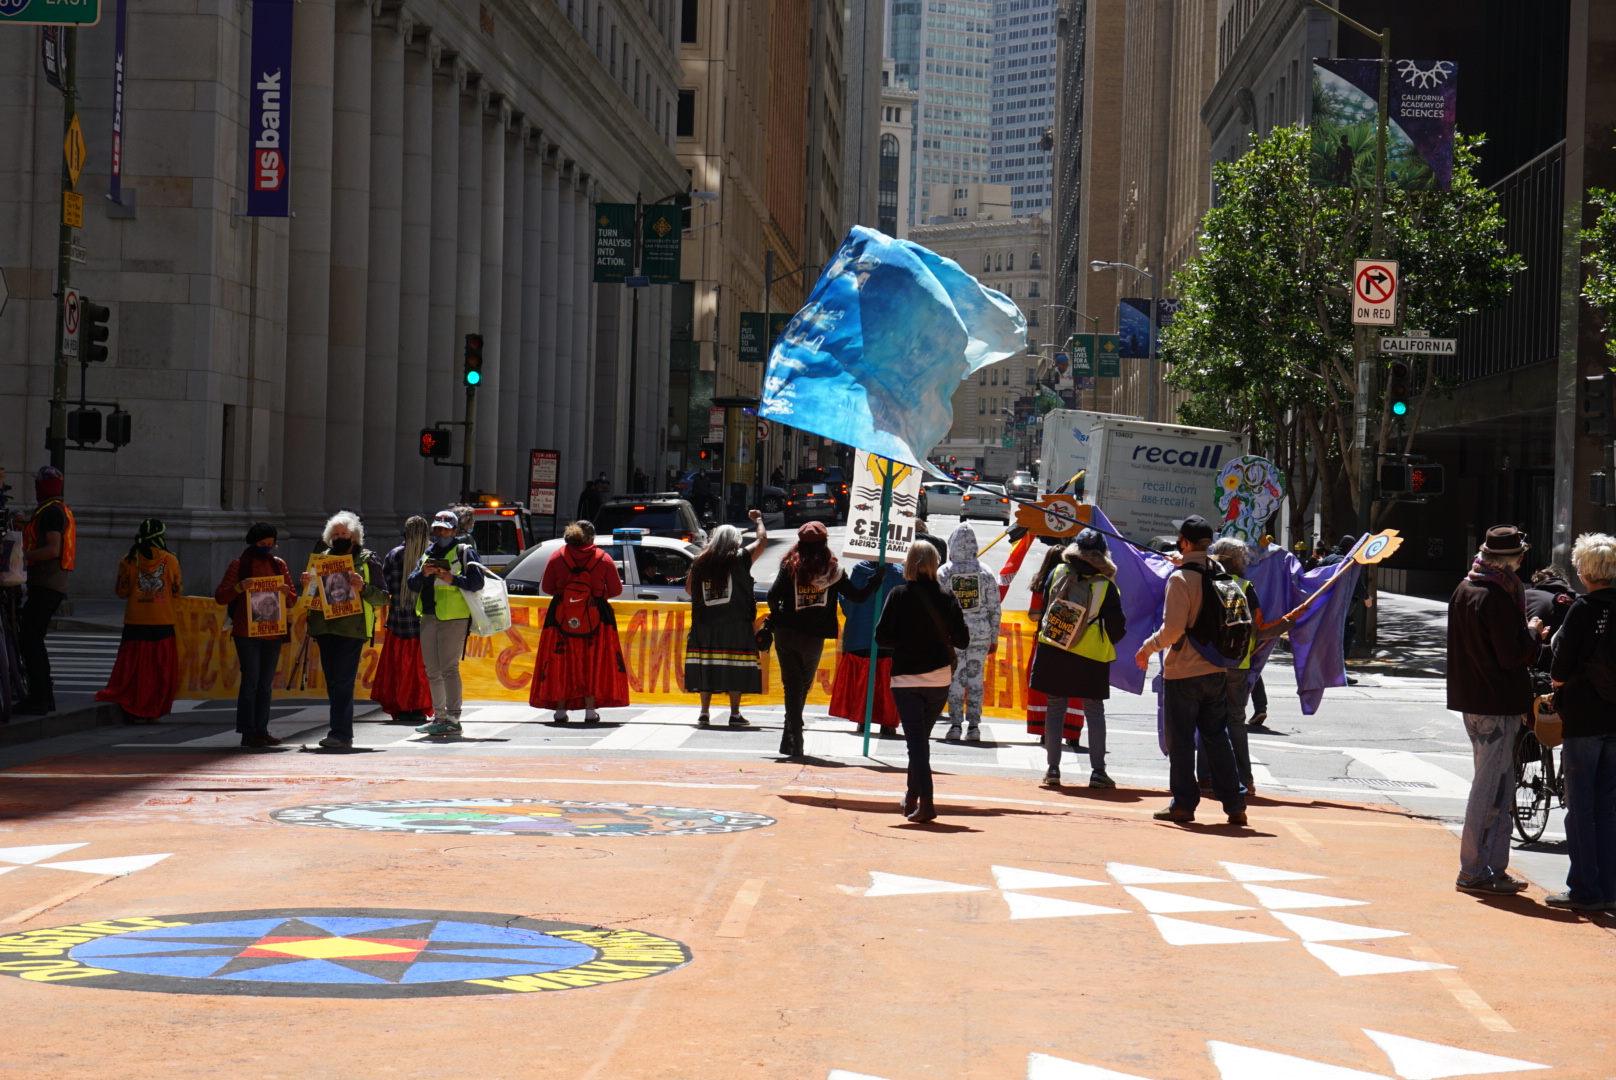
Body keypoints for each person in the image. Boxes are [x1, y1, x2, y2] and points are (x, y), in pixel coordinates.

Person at [1134, 515, 1248, 826]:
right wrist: (1183, 561)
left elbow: (1172, 631)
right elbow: (1202, 567)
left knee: (1182, 740)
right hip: (1217, 669)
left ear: (1184, 541)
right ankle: (1235, 803)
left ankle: (1183, 803)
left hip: (1184, 672)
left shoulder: (1180, 579)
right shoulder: (1219, 571)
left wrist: (1146, 648)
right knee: (1216, 737)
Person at [1447, 525, 1541, 896]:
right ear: (1508, 560)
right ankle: (1473, 869)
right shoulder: (1496, 594)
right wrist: (1533, 632)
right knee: (1490, 789)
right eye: (1519, 556)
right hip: (1495, 701)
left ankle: (1491, 867)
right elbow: (1511, 655)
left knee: (1500, 788)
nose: (1521, 562)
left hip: (1477, 699)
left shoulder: (1466, 587)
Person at [766, 522, 882, 757]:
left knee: (793, 687)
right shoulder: (834, 571)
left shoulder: (790, 566)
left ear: (800, 543)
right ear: (824, 543)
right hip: (814, 637)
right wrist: (875, 580)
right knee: (801, 688)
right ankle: (794, 737)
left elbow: (772, 595)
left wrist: (778, 617)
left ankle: (791, 738)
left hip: (786, 634)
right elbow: (858, 598)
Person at [1546, 533, 1616, 911]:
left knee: (1581, 808)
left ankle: (1584, 889)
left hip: (1584, 718)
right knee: (1608, 807)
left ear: (1585, 570)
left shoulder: (1582, 608)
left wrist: (1559, 683)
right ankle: (1609, 888)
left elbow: (1559, 667)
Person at [876, 542, 969, 822]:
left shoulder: (898, 594)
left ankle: (926, 803)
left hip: (906, 678)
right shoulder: (947, 597)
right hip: (939, 678)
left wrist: (907, 638)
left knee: (916, 743)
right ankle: (912, 799)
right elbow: (962, 640)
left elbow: (882, 638)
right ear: (935, 563)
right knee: (920, 742)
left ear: (909, 563)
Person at [1030, 529, 1125, 789]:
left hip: (1054, 648)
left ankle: (1052, 770)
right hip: (1091, 656)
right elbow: (1117, 627)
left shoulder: (1058, 572)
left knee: (1055, 707)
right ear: (1102, 554)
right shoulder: (1106, 585)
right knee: (1094, 711)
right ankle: (1097, 772)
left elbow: (1047, 603)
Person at [1205, 537, 1298, 792]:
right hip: (1236, 663)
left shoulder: (1204, 582)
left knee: (1208, 720)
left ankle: (1204, 777)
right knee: (1235, 721)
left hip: (1205, 664)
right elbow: (1259, 631)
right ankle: (1244, 778)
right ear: (1235, 561)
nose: (1246, 562)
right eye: (1243, 558)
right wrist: (1287, 622)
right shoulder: (1244, 587)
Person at [302, 511, 389, 749]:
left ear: (354, 536)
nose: (340, 537)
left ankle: (340, 733)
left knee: (342, 682)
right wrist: (307, 584)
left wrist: (363, 588)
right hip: (325, 628)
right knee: (333, 682)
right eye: (336, 534)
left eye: (344, 534)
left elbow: (383, 598)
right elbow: (311, 596)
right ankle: (339, 731)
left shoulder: (368, 559)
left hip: (352, 629)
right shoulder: (322, 558)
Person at [530, 520, 629, 722]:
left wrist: (569, 597)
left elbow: (547, 587)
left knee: (561, 662)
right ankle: (590, 711)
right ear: (592, 538)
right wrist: (595, 597)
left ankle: (560, 710)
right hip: (597, 619)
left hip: (561, 616)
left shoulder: (557, 556)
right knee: (592, 663)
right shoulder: (603, 558)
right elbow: (617, 590)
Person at [214, 523, 299, 747]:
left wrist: (286, 592)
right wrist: (240, 587)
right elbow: (221, 596)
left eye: (270, 544)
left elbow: (292, 600)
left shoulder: (279, 564)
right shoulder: (239, 565)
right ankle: (247, 731)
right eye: (262, 544)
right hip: (246, 632)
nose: (266, 548)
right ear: (253, 543)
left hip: (273, 632)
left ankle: (261, 729)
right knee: (250, 681)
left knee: (265, 683)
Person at [95, 519, 182, 724]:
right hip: (162, 621)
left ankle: (134, 709)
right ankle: (152, 710)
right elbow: (177, 592)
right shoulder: (170, 560)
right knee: (158, 672)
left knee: (135, 672)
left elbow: (122, 591)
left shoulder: (128, 559)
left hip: (135, 621)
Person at [684, 511, 767, 726]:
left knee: (707, 665)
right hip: (736, 623)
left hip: (705, 623)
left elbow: (690, 590)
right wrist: (758, 520)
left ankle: (704, 713)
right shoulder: (740, 557)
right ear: (735, 541)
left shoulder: (700, 560)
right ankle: (735, 714)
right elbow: (762, 540)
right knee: (735, 666)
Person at [410, 510, 487, 736]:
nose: (441, 533)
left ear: (455, 531)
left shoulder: (465, 551)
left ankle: (453, 718)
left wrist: (452, 579)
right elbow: (412, 584)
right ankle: (439, 717)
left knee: (449, 669)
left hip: (454, 618)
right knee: (433, 671)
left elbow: (477, 582)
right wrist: (424, 574)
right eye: (437, 529)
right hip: (428, 616)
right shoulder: (428, 554)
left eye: (445, 529)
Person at [15, 466, 74, 715]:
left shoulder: (50, 512)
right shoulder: (54, 510)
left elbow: (52, 549)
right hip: (51, 583)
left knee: (30, 639)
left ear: (42, 487)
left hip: (47, 583)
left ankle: (39, 698)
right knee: (32, 638)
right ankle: (44, 697)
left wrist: (20, 558)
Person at [939, 523, 1002, 745]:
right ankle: (974, 727)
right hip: (980, 635)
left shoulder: (944, 572)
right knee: (976, 679)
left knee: (955, 679)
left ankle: (955, 725)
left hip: (952, 636)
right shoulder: (985, 572)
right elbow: (995, 607)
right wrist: (994, 638)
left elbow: (938, 607)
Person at [829, 557, 905, 736]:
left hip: (860, 636)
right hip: (890, 639)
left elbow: (848, 605)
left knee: (864, 682)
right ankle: (888, 723)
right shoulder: (900, 572)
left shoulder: (859, 570)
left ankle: (863, 720)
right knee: (887, 683)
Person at [371, 515, 433, 725]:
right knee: (421, 670)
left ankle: (402, 706)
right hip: (425, 622)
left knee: (400, 668)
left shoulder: (394, 555)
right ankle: (418, 706)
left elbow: (384, 587)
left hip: (399, 621)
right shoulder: (432, 555)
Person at [1026, 539, 1084, 750]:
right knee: (1073, 685)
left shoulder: (1041, 582)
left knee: (1043, 685)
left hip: (1046, 639)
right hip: (1074, 641)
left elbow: (1033, 615)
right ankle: (1072, 731)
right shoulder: (1079, 580)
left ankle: (1045, 730)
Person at [1321, 534, 1371, 661]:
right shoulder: (1345, 563)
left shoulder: (1328, 559)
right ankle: (1339, 669)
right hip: (1340, 608)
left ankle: (1326, 670)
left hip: (1323, 607)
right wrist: (1366, 597)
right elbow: (1355, 582)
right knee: (1346, 635)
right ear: (1351, 548)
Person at [1526, 566, 1577, 670]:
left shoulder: (1525, 596)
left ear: (1536, 580)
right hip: (1569, 670)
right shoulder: (1580, 600)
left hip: (1534, 670)